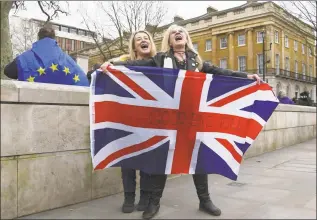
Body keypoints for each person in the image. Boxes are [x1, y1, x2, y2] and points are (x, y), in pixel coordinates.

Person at [101, 24, 261, 219]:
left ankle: (205, 200)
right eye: (174, 32)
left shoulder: (197, 61)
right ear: (169, 40)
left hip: (192, 118)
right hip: (168, 120)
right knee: (163, 159)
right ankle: (154, 203)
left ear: (186, 38)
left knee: (198, 158)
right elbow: (136, 66)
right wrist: (110, 66)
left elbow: (219, 72)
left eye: (182, 32)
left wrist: (246, 76)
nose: (178, 33)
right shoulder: (160, 59)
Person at [103, 30, 158, 214]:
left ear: (151, 43)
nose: (143, 40)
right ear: (134, 46)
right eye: (139, 39)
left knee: (148, 159)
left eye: (146, 38)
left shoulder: (160, 62)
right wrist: (107, 64)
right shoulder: (123, 62)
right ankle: (128, 197)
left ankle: (144, 196)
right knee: (127, 159)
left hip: (151, 118)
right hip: (128, 117)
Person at [4, 25, 89, 86]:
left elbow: (8, 71)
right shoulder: (68, 60)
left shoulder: (25, 58)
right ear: (54, 39)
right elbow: (83, 81)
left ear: (38, 38)